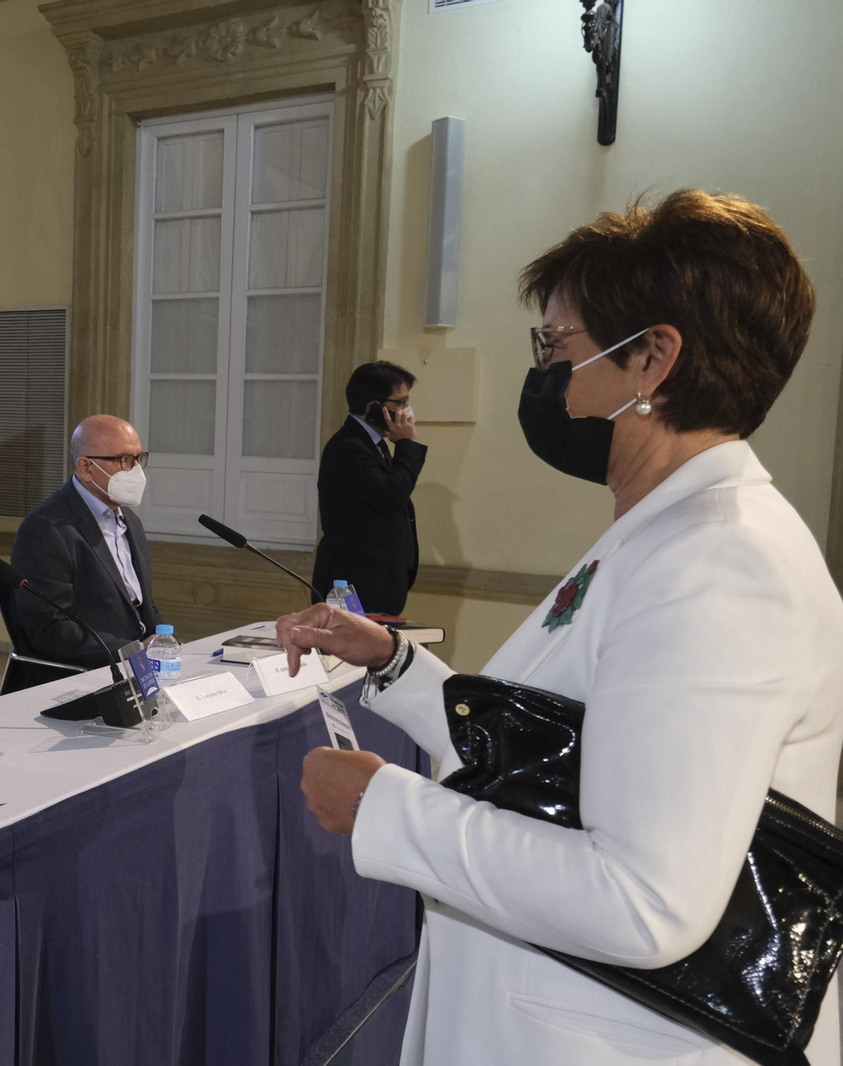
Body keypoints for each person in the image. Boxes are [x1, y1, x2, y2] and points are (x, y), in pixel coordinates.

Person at [278, 190, 843, 1065]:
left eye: (556, 347)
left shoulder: (721, 564)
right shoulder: (663, 531)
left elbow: (645, 901)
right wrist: (396, 665)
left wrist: (383, 808)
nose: (544, 377)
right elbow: (562, 752)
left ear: (652, 359)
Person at [8, 415, 161, 676]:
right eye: (125, 460)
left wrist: (163, 643)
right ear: (86, 467)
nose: (136, 471)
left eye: (139, 459)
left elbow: (143, 606)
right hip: (90, 673)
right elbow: (51, 629)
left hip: (142, 668)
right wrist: (132, 651)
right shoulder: (45, 528)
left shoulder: (130, 521)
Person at [311, 361, 425, 616]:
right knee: (351, 643)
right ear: (373, 407)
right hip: (354, 582)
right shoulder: (349, 447)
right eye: (400, 403)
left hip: (379, 580)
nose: (406, 411)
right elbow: (392, 495)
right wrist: (407, 444)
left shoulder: (374, 444)